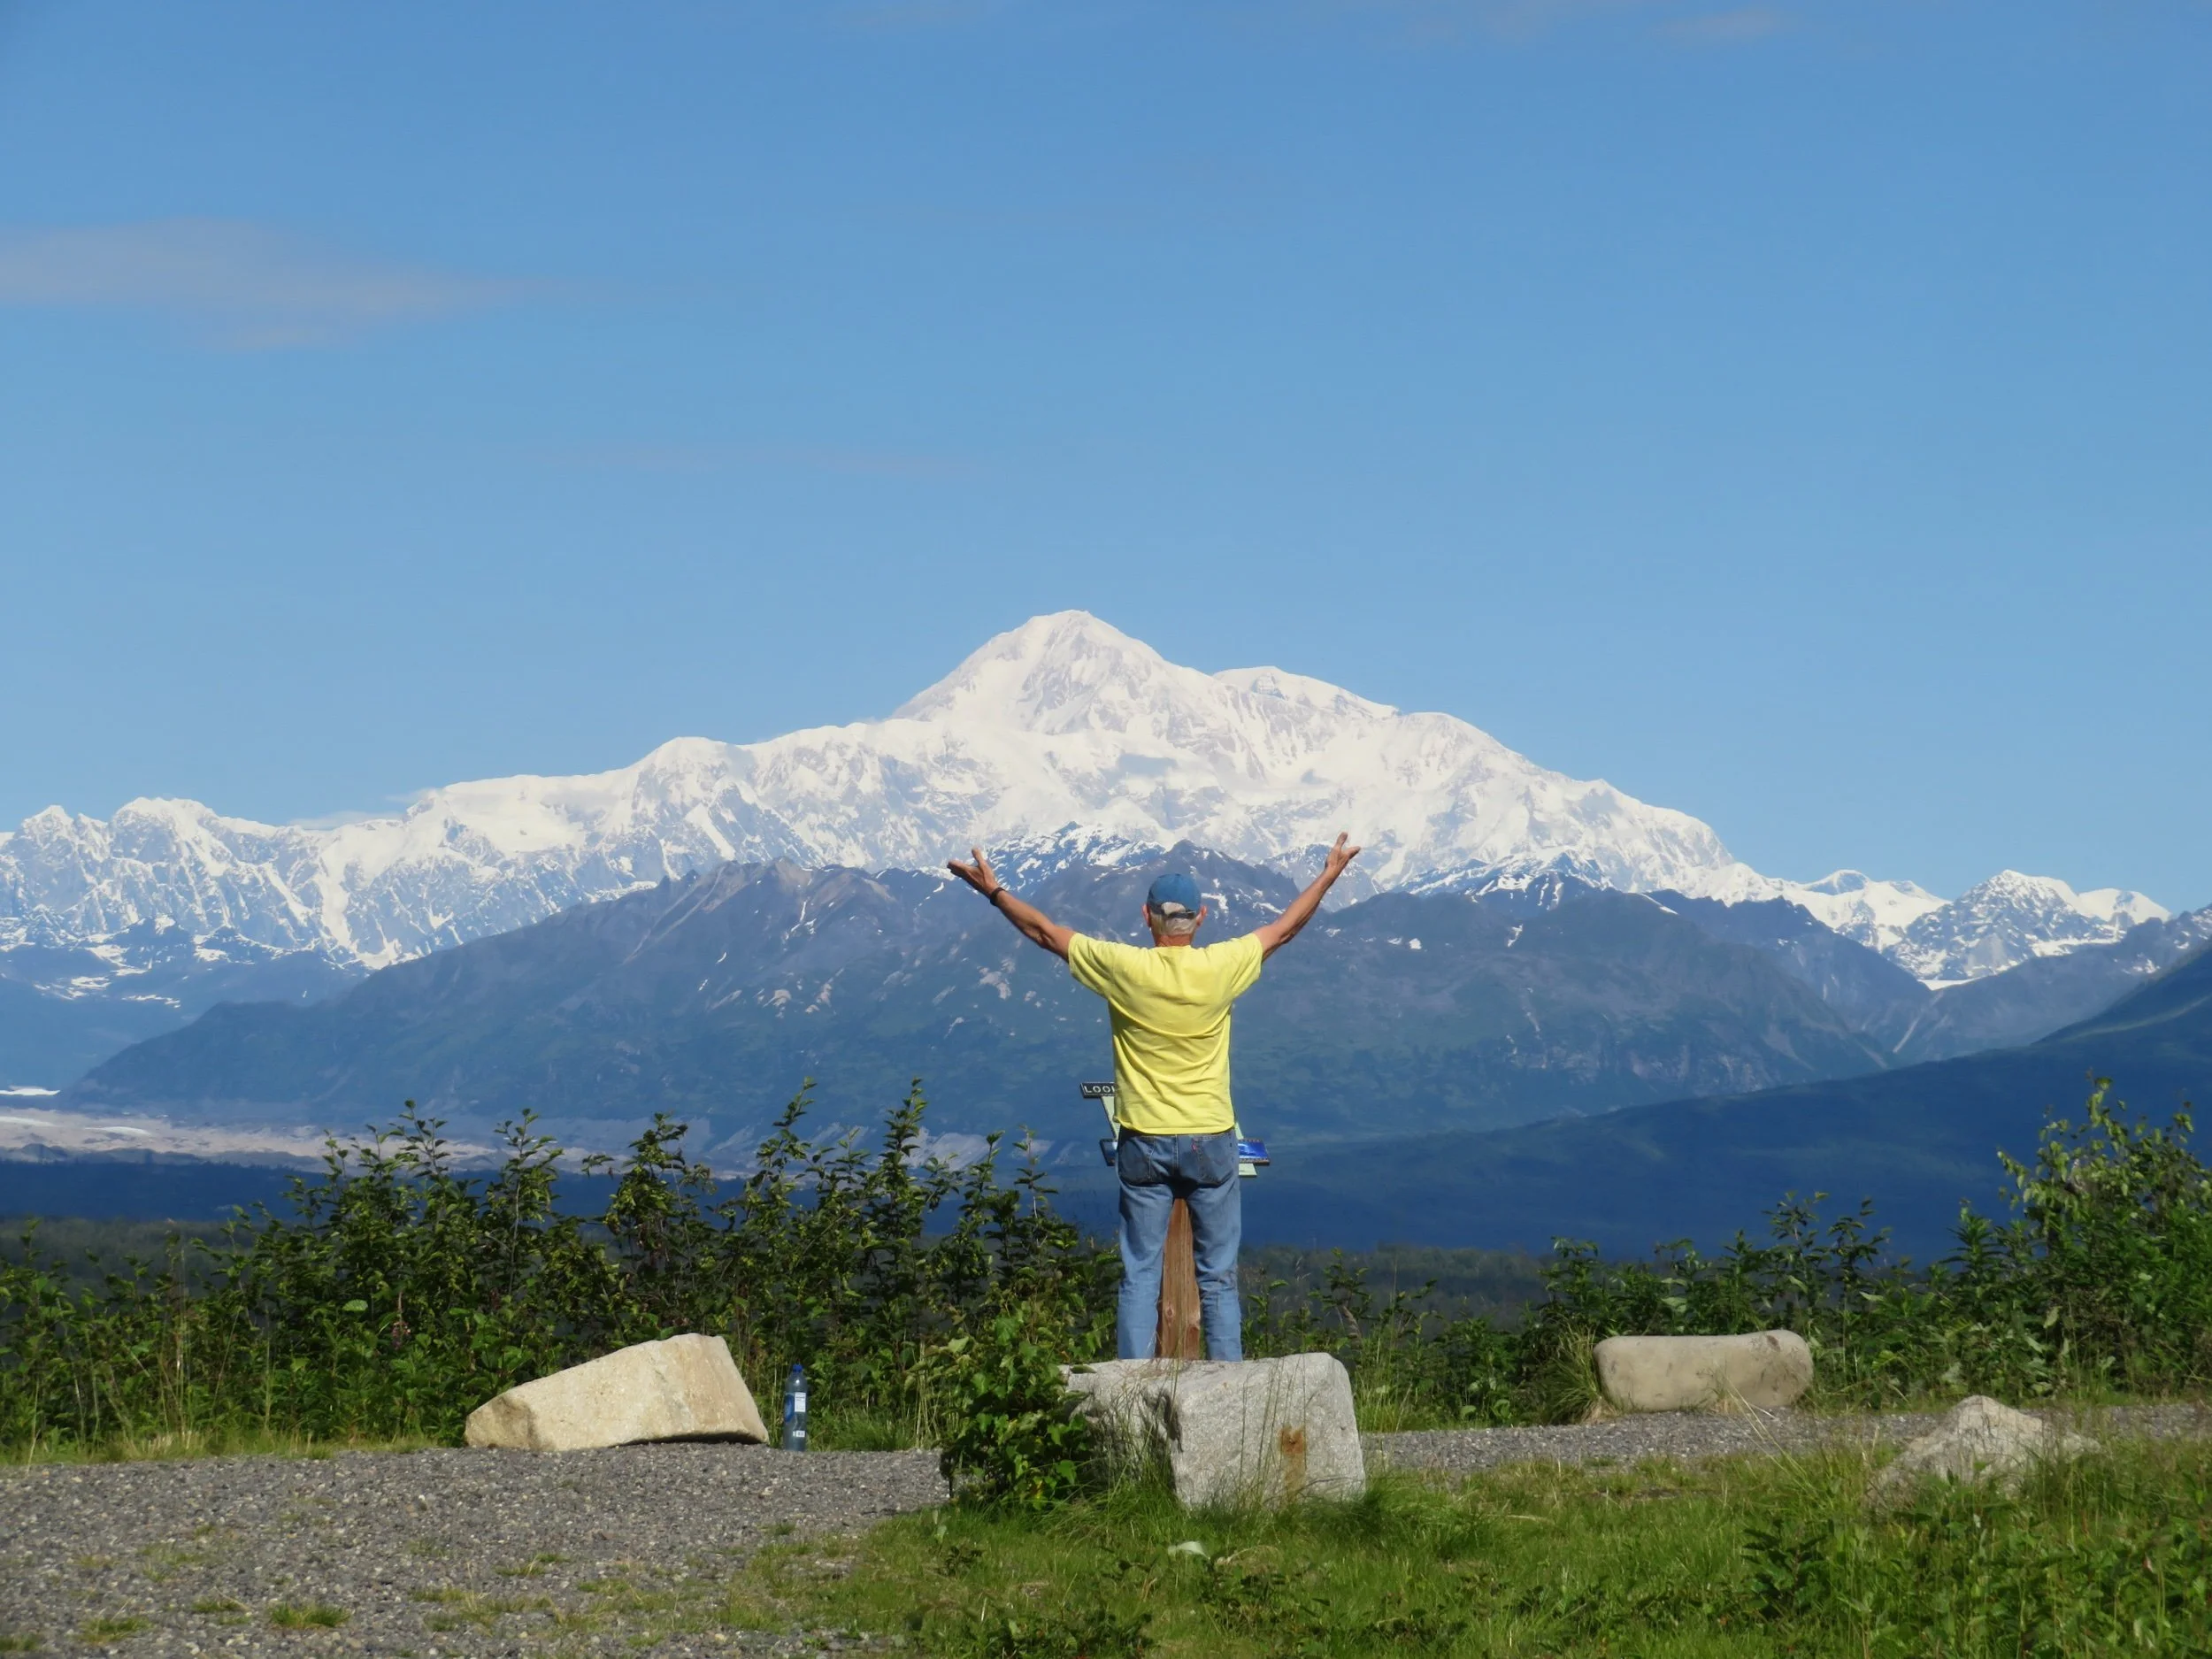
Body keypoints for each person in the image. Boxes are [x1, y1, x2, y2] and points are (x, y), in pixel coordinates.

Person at [945, 833, 1363, 1362]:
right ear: (1201, 917)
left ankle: (1131, 1390)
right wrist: (1328, 875)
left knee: (1139, 1272)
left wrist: (994, 892)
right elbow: (1285, 929)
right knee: (1218, 1277)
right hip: (1211, 1137)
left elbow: (1045, 932)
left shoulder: (1124, 968)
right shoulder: (1222, 966)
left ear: (1148, 917)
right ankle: (1227, 1386)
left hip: (1143, 1139)